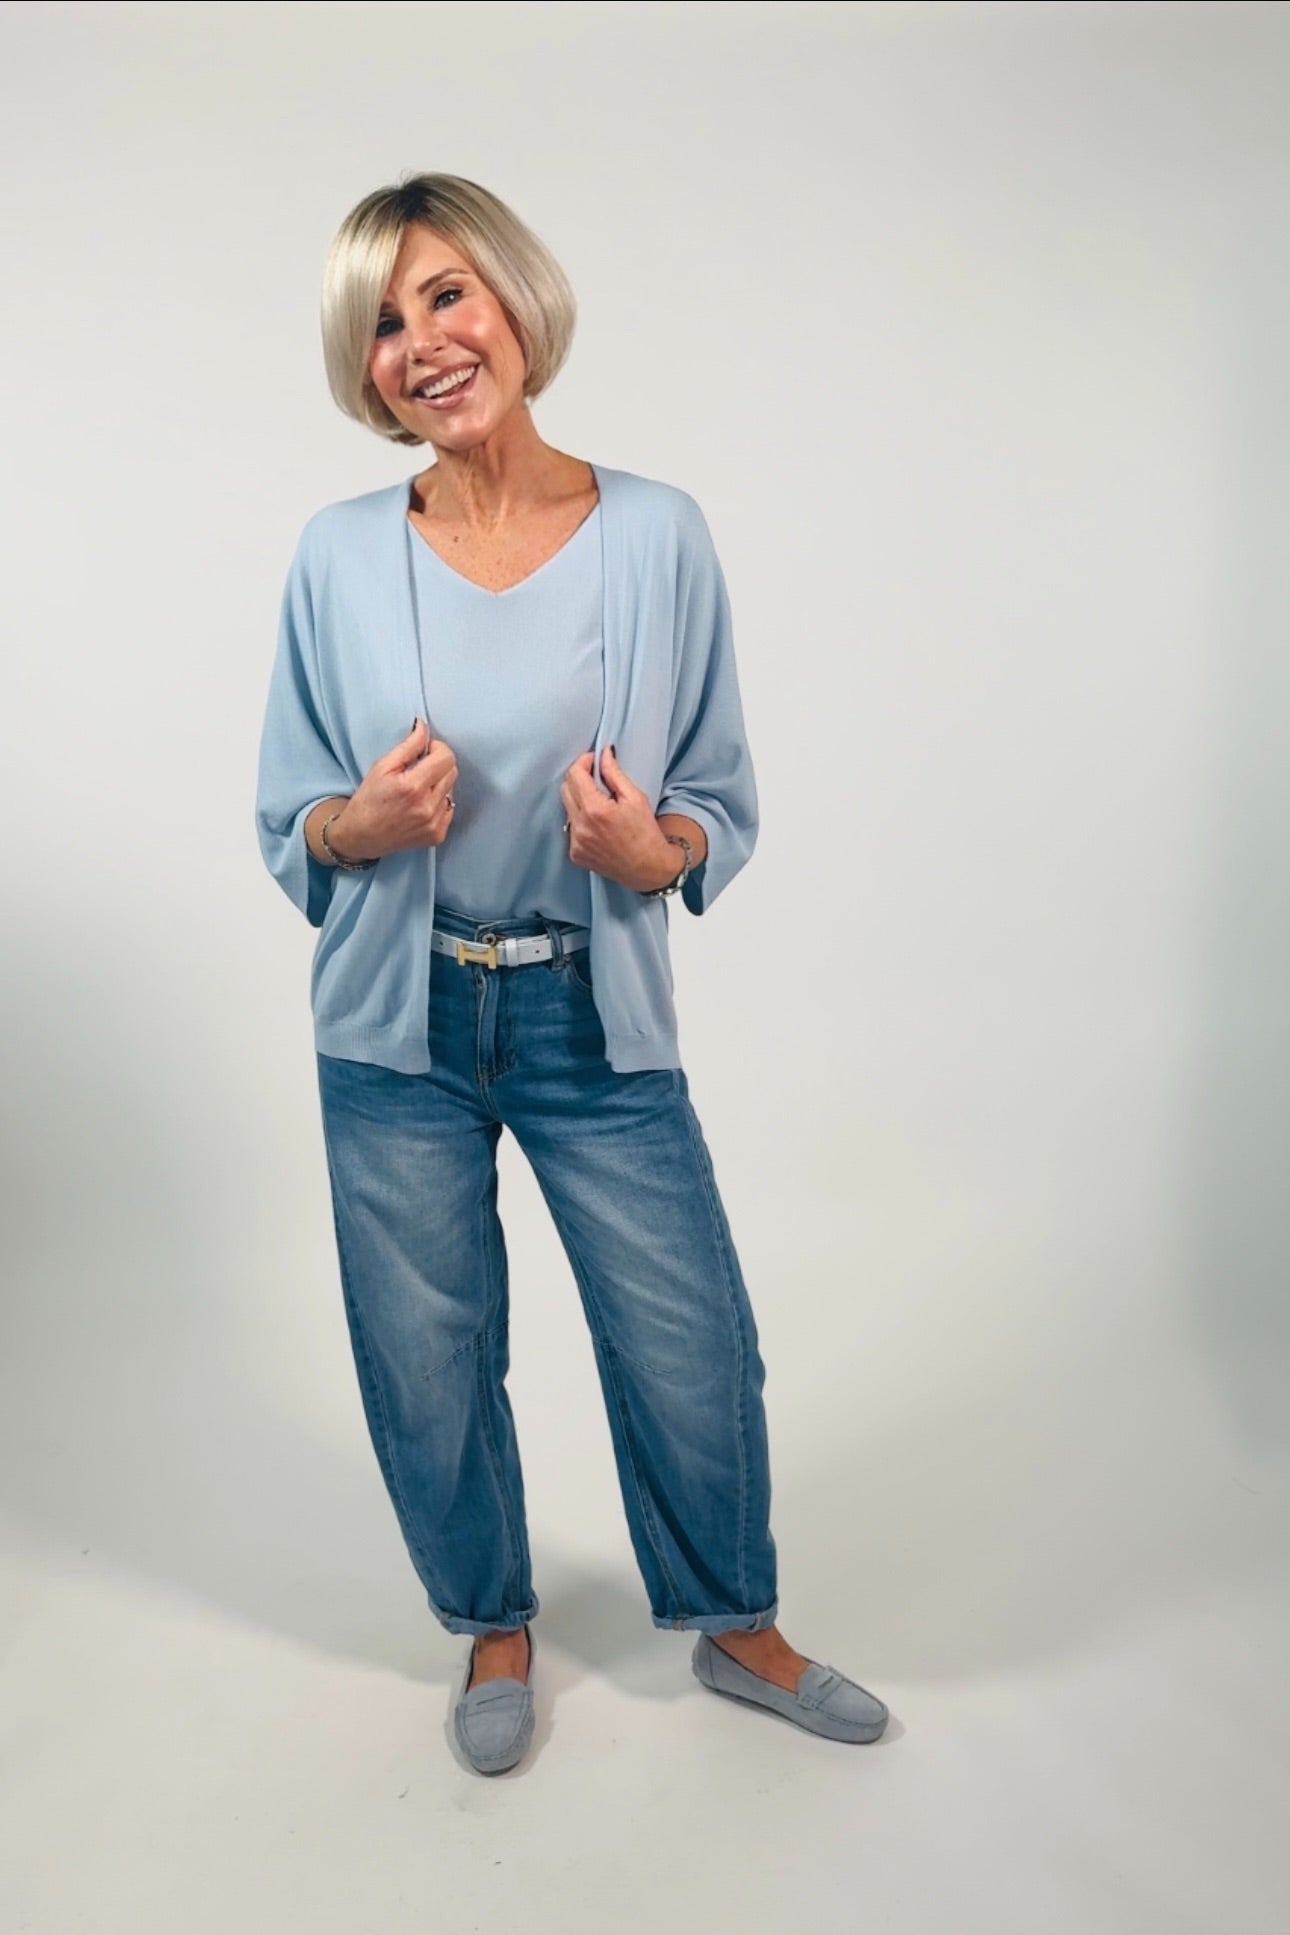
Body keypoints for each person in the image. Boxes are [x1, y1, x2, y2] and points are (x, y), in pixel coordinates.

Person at [255, 172, 888, 1774]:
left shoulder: (656, 535)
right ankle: (491, 1625)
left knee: (688, 1336)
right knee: (427, 1355)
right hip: (395, 1022)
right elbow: (290, 818)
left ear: (515, 303)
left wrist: (650, 854)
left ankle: (737, 1625)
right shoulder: (336, 556)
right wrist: (358, 824)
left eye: (444, 296)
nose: (421, 343)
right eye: (381, 324)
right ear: (363, 367)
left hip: (585, 1012)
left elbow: (716, 794)